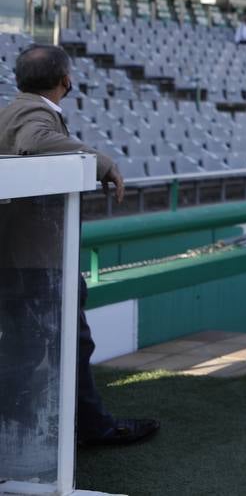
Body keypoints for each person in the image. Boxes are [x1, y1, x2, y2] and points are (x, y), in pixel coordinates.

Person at [0, 45, 154, 447]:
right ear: (65, 81)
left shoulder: (12, 109)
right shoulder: (34, 115)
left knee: (62, 344)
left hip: (25, 256)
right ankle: (35, 436)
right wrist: (101, 161)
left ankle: (86, 424)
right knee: (37, 351)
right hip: (36, 261)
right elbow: (35, 143)